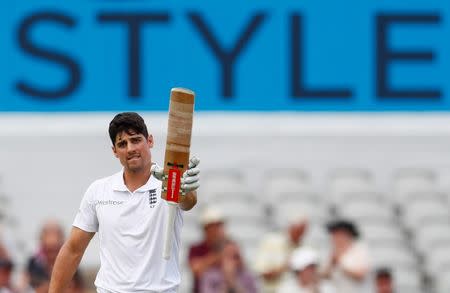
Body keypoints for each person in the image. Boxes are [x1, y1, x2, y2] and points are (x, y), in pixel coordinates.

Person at [49, 112, 201, 293]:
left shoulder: (168, 182)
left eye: (136, 140)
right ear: (114, 151)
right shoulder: (99, 190)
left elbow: (188, 202)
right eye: (122, 144)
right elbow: (73, 250)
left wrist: (185, 189)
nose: (130, 149)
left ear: (150, 141)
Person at [253, 213, 309, 293]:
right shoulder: (270, 242)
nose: (302, 235)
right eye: (299, 230)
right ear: (291, 227)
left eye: (303, 231)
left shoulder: (304, 247)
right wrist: (284, 267)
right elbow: (263, 274)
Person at [321, 220, 371, 293]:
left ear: (346, 234)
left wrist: (340, 263)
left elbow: (361, 275)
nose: (333, 238)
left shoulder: (359, 250)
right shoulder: (332, 252)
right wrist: (331, 264)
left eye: (336, 234)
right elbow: (324, 277)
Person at [189, 206, 228, 293]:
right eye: (215, 226)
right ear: (206, 229)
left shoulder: (230, 246)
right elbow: (197, 270)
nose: (218, 230)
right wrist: (218, 255)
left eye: (219, 226)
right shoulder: (196, 249)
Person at [24, 220, 65, 290]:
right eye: (49, 250)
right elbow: (24, 285)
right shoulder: (33, 262)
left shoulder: (68, 263)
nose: (52, 254)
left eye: (55, 249)